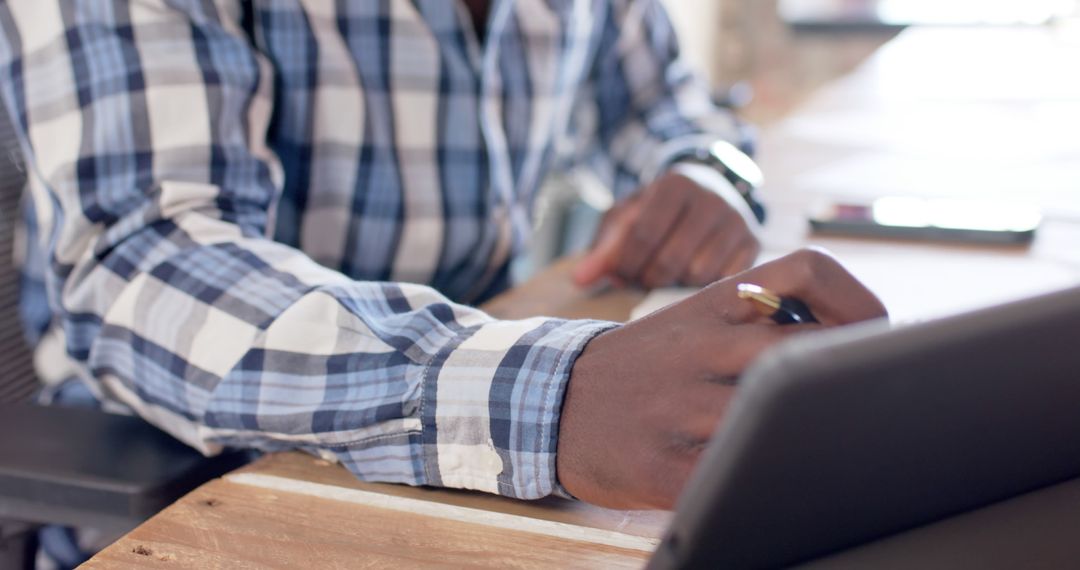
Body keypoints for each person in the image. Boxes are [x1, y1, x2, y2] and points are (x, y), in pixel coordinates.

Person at [0, 0, 885, 517]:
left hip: (468, 449)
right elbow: (141, 258)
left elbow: (662, 104)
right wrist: (552, 391)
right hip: (201, 478)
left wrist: (705, 171)